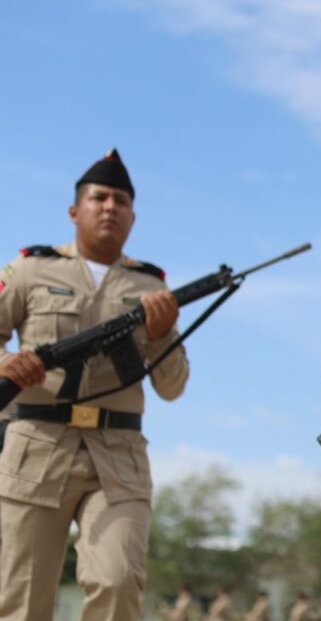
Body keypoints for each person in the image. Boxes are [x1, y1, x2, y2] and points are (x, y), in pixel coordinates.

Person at [0, 148, 189, 620]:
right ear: (74, 210)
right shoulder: (29, 269)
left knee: (118, 580)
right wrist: (7, 364)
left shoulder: (152, 287)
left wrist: (163, 331)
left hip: (118, 452)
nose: (110, 207)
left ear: (133, 215)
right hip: (37, 447)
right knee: (22, 599)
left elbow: (173, 386)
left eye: (121, 201)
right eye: (99, 198)